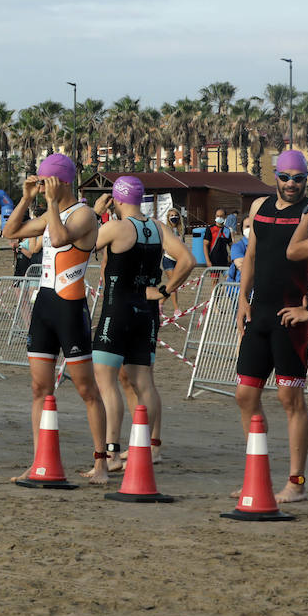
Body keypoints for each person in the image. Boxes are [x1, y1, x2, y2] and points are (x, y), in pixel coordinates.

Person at [2, 153, 110, 485]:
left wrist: (50, 202)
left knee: (86, 389)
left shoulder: (85, 215)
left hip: (70, 307)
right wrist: (26, 198)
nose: (41, 185)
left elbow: (61, 238)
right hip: (44, 305)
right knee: (39, 388)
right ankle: (40, 460)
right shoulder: (53, 212)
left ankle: (102, 462)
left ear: (60, 181)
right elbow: (11, 231)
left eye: (44, 180)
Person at [91, 176, 195, 469]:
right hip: (147, 312)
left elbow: (80, 245)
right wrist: (164, 291)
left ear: (117, 200)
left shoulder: (116, 227)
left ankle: (111, 453)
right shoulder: (158, 228)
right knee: (144, 382)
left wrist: (96, 214)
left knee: (105, 381)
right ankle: (151, 447)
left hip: (118, 309)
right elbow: (187, 260)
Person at [242, 151, 308, 503]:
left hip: (291, 316)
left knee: (290, 398)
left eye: (298, 178)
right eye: (285, 177)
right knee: (245, 395)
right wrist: (243, 298)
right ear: (275, 176)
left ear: (306, 180)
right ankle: (258, 477)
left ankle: (296, 483)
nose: (290, 184)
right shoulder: (260, 208)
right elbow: (252, 254)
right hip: (260, 312)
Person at [227, 217, 250, 283]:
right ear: (242, 229)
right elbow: (243, 268)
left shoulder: (263, 246)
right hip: (237, 289)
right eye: (247, 226)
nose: (250, 229)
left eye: (253, 225)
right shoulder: (237, 247)